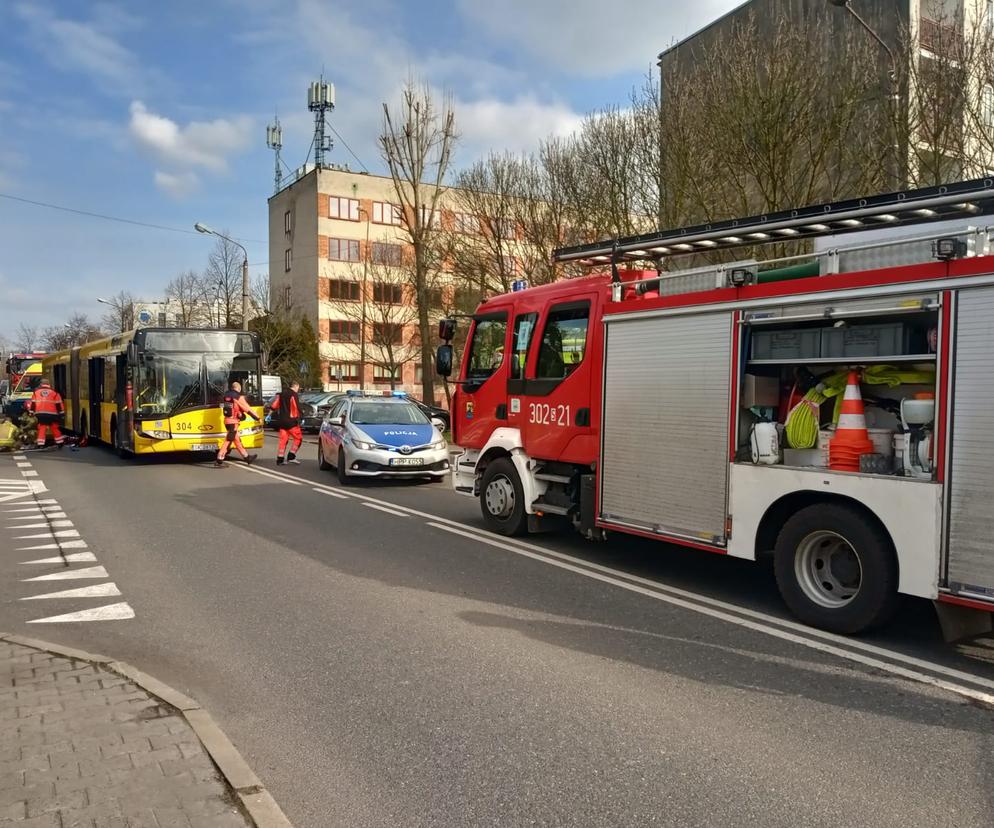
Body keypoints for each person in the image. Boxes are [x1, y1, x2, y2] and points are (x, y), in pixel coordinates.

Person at [215, 380, 259, 467]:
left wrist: (239, 413)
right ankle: (219, 459)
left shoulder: (226, 395)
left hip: (227, 420)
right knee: (228, 440)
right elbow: (248, 409)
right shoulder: (238, 397)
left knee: (237, 440)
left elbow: (233, 408)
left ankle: (247, 457)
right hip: (233, 422)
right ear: (238, 388)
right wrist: (258, 418)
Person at [25, 379, 65, 449]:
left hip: (40, 414)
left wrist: (31, 413)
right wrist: (61, 414)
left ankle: (41, 444)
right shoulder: (54, 393)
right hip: (52, 414)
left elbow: (33, 404)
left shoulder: (36, 392)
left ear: (41, 384)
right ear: (49, 384)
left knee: (42, 428)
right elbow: (59, 404)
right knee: (54, 428)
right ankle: (60, 443)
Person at [270, 380, 303, 465]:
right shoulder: (293, 395)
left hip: (282, 421)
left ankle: (280, 459)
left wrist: (269, 414)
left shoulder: (281, 394)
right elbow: (295, 406)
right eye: (298, 388)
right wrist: (301, 416)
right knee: (298, 438)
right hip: (291, 421)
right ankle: (291, 456)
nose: (298, 390)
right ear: (295, 386)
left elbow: (274, 405)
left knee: (283, 440)